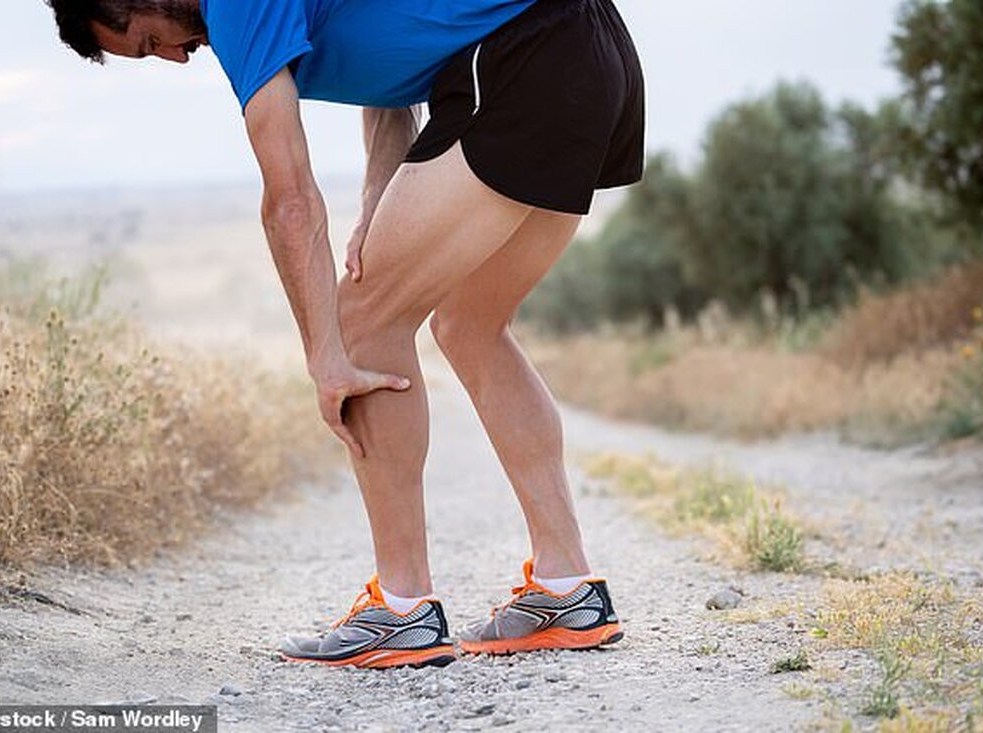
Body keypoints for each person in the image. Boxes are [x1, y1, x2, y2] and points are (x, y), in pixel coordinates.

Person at [45, 0, 645, 669]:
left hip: (524, 63)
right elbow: (394, 76)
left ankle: (402, 607)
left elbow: (290, 199)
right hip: (593, 58)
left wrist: (325, 355)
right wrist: (379, 196)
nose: (175, 58)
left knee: (361, 323)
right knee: (469, 324)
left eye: (150, 40)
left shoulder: (235, 8)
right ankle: (568, 588)